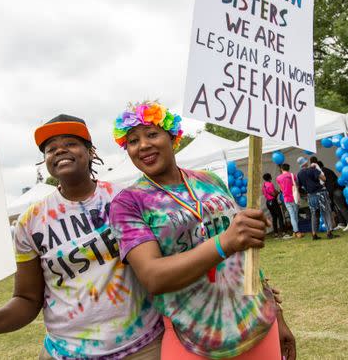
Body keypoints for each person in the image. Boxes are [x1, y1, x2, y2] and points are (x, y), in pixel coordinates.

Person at [0, 114, 163, 359]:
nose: (60, 151)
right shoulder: (30, 222)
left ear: (90, 151)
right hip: (65, 353)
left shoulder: (125, 199)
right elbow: (27, 298)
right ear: (46, 161)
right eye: (51, 149)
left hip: (141, 346)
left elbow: (157, 267)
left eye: (71, 143)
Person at [110, 101, 296, 360]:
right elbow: (153, 276)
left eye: (152, 134)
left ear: (172, 136)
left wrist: (277, 313)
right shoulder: (129, 202)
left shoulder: (210, 180)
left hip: (260, 325)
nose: (143, 145)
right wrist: (224, 243)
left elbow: (245, 255)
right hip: (195, 341)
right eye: (132, 141)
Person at [296, 157, 336, 240]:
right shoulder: (312, 169)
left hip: (310, 196)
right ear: (306, 163)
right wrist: (317, 170)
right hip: (320, 193)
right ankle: (329, 232)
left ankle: (314, 234)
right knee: (326, 212)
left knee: (314, 215)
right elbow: (324, 179)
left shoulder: (299, 174)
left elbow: (298, 187)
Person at [316, 161, 348, 232]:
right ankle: (341, 223)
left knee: (341, 208)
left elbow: (329, 185)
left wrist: (329, 196)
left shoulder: (323, 172)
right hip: (335, 191)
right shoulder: (326, 170)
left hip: (336, 191)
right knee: (338, 208)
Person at [276, 164, 303, 238]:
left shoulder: (278, 178)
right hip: (294, 198)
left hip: (286, 198)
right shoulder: (292, 175)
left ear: (282, 169)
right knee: (295, 215)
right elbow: (296, 185)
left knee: (292, 215)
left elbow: (281, 189)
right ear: (288, 168)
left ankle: (296, 231)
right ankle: (297, 232)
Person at [262, 173, 288, 238]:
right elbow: (273, 194)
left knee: (274, 217)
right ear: (270, 178)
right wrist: (277, 193)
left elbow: (269, 192)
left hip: (268, 202)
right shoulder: (270, 184)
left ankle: (276, 233)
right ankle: (283, 232)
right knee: (280, 216)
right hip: (273, 202)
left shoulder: (264, 185)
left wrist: (276, 192)